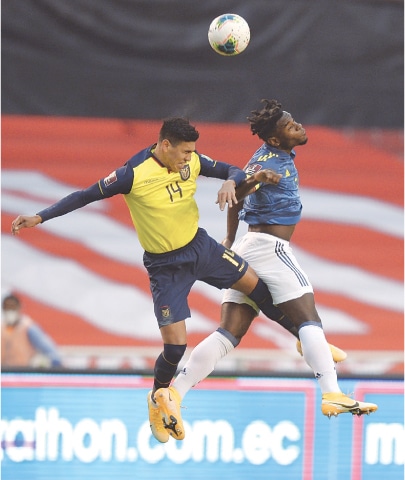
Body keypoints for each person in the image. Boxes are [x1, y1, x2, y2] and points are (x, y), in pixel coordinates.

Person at [11, 116, 316, 443]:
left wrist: (231, 181)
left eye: (192, 152)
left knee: (257, 288)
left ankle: (308, 339)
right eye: (184, 152)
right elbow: (84, 196)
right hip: (165, 266)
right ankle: (159, 399)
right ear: (165, 145)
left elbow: (233, 171)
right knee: (175, 345)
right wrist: (40, 217)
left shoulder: (193, 161)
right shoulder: (132, 174)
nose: (189, 158)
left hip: (202, 248)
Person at [160, 100, 378, 441]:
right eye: (290, 127)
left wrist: (231, 238)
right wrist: (256, 180)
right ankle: (331, 391)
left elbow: (238, 196)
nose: (299, 127)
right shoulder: (267, 162)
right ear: (275, 140)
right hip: (271, 249)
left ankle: (175, 392)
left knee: (229, 332)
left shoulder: (271, 157)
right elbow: (243, 188)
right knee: (308, 318)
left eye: (295, 122)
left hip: (249, 246)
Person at [1, 293, 62, 368]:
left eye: (12, 307)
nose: (9, 311)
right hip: (5, 374)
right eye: (7, 308)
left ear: (19, 308)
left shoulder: (28, 328)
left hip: (25, 373)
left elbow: (51, 352)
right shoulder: (1, 328)